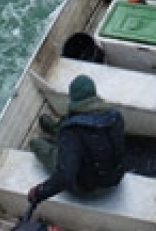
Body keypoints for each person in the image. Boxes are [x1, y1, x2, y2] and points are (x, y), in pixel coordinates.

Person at [27, 75, 127, 206]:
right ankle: (56, 129)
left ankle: (55, 135)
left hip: (89, 189)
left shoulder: (72, 132)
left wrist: (39, 193)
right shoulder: (114, 115)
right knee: (76, 138)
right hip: (115, 178)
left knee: (36, 144)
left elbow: (65, 177)